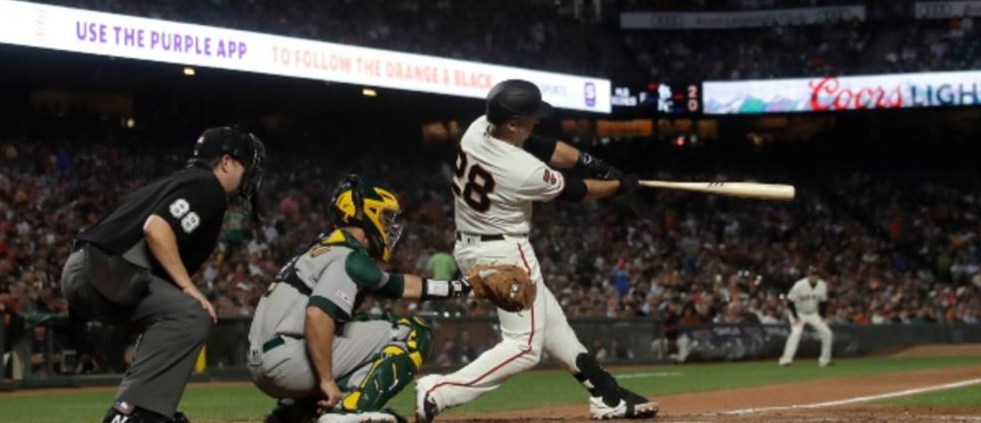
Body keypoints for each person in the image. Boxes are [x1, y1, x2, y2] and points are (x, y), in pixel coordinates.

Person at [415, 79, 658, 421]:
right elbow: (577, 190)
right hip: (504, 253)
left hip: (474, 245)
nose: (537, 120)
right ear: (512, 123)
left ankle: (607, 394)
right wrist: (620, 187)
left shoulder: (477, 129)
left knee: (552, 325)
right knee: (525, 347)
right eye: (531, 116)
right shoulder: (521, 170)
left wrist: (593, 161)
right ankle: (440, 391)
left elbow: (544, 145)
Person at [61, 126, 265, 423]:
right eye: (246, 165)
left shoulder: (181, 180)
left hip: (89, 270)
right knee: (190, 313)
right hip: (103, 271)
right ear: (225, 162)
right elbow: (156, 229)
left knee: (171, 315)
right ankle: (137, 414)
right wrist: (189, 287)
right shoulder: (208, 187)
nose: (249, 176)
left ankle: (139, 409)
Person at [248, 175, 469, 423]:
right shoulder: (346, 256)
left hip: (265, 362)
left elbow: (399, 285)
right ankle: (349, 412)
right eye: (384, 217)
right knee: (411, 333)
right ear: (365, 214)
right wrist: (327, 382)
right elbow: (317, 315)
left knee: (355, 324)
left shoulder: (323, 250)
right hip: (288, 359)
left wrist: (462, 287)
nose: (389, 227)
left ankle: (293, 414)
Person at [778, 266, 833, 367]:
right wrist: (795, 317)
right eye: (812, 275)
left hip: (813, 313)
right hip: (799, 313)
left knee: (827, 333)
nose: (814, 277)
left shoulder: (822, 285)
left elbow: (823, 303)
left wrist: (822, 316)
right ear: (808, 275)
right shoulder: (799, 285)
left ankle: (825, 360)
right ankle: (785, 360)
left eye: (816, 275)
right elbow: (790, 302)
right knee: (796, 333)